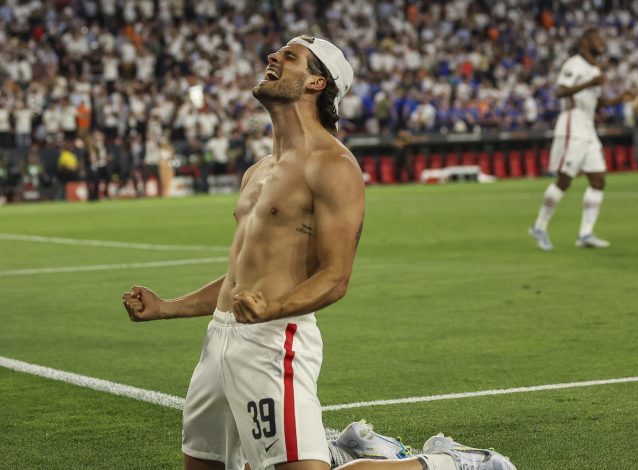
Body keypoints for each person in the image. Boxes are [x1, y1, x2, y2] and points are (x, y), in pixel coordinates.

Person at [122, 35, 514, 470]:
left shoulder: (334, 166)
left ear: (316, 83)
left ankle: (448, 463)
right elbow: (240, 278)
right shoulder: (259, 170)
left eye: (289, 57)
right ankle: (335, 450)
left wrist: (273, 306)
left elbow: (335, 276)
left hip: (275, 340)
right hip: (219, 339)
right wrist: (165, 308)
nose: (273, 58)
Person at [529, 28, 635, 251]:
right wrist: (590, 83)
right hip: (572, 125)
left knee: (598, 180)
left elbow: (596, 103)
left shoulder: (594, 69)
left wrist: (618, 99)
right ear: (585, 41)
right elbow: (560, 91)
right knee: (565, 180)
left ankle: (585, 234)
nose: (602, 43)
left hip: (588, 128)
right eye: (597, 39)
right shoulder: (574, 64)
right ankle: (539, 227)